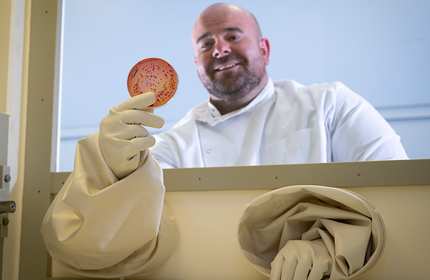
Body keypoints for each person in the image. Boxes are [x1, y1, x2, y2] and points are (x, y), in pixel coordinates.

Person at [41, 3, 407, 279]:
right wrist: (111, 167)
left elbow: (399, 196)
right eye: (205, 43)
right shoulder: (174, 142)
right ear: (196, 64)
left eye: (232, 35)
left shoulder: (331, 104)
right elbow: (121, 235)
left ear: (264, 48)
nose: (219, 49)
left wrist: (333, 243)